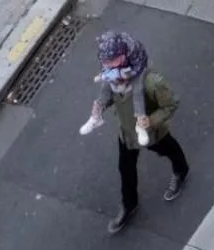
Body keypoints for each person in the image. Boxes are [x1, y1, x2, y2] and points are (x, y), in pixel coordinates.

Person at [79, 29, 189, 235]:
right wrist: (100, 107)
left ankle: (181, 170)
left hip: (150, 132)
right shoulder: (112, 77)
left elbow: (171, 105)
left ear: (122, 58)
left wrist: (151, 121)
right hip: (127, 133)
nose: (105, 66)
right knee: (125, 168)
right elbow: (114, 96)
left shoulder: (151, 82)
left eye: (109, 61)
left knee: (167, 149)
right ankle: (129, 205)